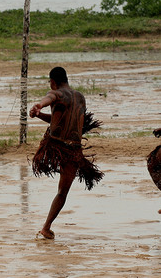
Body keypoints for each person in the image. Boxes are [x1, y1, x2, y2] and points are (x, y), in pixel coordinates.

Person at [30, 66, 104, 239]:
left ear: (53, 82)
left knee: (54, 183)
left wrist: (40, 105)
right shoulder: (80, 98)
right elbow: (59, 120)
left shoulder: (57, 94)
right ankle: (46, 227)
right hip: (73, 150)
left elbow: (50, 97)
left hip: (56, 146)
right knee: (62, 192)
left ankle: (46, 228)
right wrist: (40, 114)